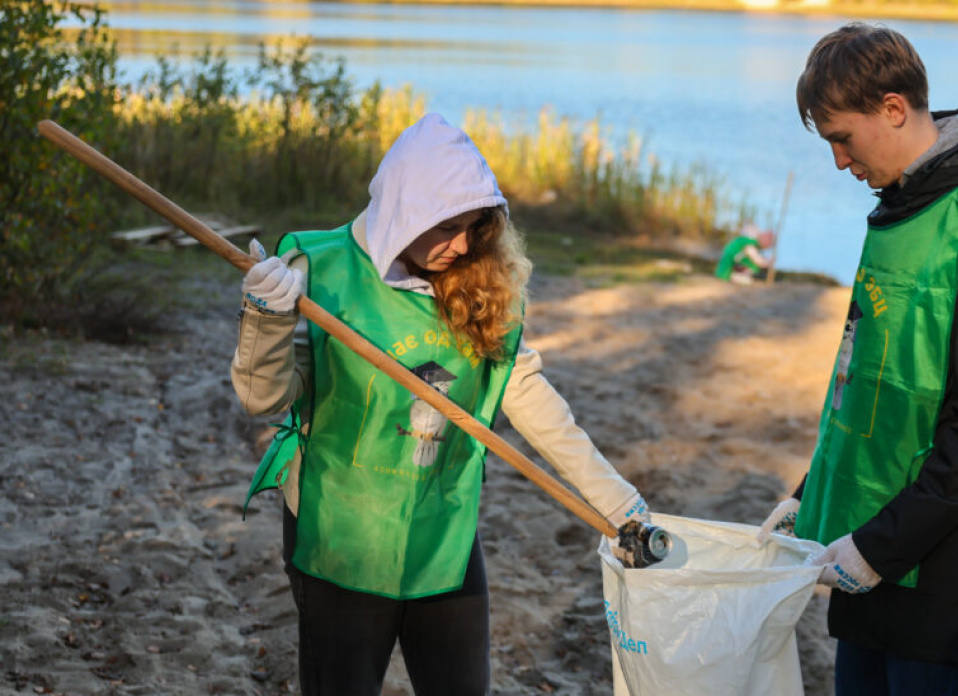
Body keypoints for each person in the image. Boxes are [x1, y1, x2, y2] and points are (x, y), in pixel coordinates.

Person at [231, 113, 652, 695]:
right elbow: (261, 398)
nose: (462, 245)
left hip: (442, 529)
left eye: (475, 227)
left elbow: (529, 397)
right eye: (447, 226)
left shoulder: (479, 278)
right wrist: (265, 320)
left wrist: (620, 504)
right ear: (404, 209)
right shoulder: (319, 270)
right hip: (340, 531)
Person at [758, 23, 958, 695]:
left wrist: (878, 548)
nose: (840, 163)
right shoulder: (899, 210)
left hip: (944, 571)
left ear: (892, 108)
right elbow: (868, 383)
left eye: (843, 139)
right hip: (872, 544)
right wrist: (810, 493)